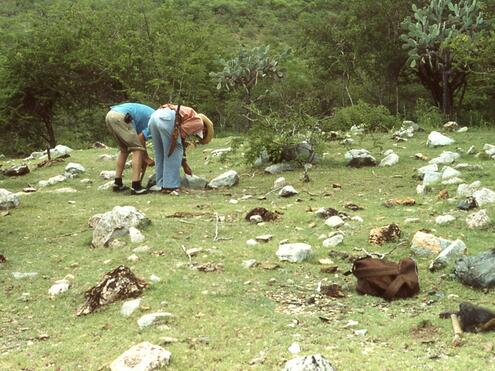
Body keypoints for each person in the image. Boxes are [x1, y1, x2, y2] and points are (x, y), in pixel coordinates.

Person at [148, 103, 213, 194]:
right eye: (204, 134)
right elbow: (178, 134)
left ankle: (161, 184)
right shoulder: (199, 123)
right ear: (205, 129)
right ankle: (171, 186)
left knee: (161, 152)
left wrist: (184, 163)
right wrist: (185, 162)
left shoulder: (192, 116)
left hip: (154, 117)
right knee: (176, 150)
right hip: (167, 118)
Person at [105, 102, 155, 195]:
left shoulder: (151, 114)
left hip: (110, 115)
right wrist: (146, 158)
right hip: (121, 116)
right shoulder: (156, 121)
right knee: (137, 150)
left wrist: (146, 157)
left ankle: (118, 183)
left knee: (124, 149)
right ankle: (136, 187)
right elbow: (140, 140)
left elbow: (140, 139)